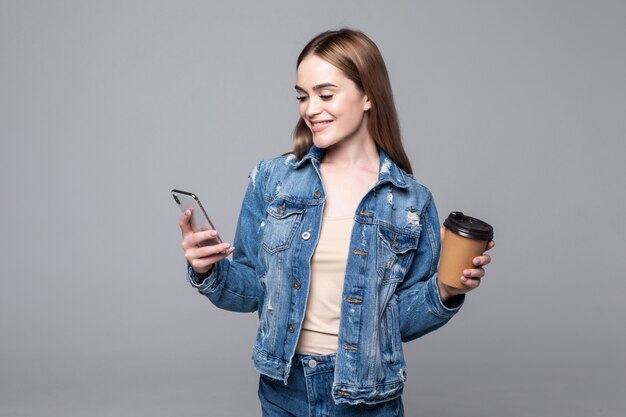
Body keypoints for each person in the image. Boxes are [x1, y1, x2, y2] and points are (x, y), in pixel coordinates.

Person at [178, 28, 494, 417]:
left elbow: (397, 325)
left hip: (367, 398)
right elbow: (250, 289)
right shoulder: (272, 180)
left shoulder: (411, 201)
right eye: (302, 96)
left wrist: (444, 290)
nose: (310, 108)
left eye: (325, 94)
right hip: (283, 390)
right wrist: (209, 270)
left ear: (367, 96)